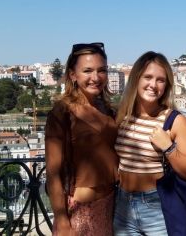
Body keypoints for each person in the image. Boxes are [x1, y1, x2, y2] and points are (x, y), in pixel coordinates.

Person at [114, 51, 186, 235]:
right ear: (136, 78)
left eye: (160, 80)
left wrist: (168, 147)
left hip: (157, 206)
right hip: (122, 204)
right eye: (148, 77)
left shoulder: (174, 120)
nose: (153, 85)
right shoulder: (122, 116)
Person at [45, 42, 118, 235]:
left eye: (102, 70)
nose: (96, 77)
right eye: (87, 71)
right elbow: (53, 173)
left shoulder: (108, 110)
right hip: (79, 212)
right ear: (72, 75)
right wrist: (61, 220)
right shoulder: (62, 112)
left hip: (111, 207)